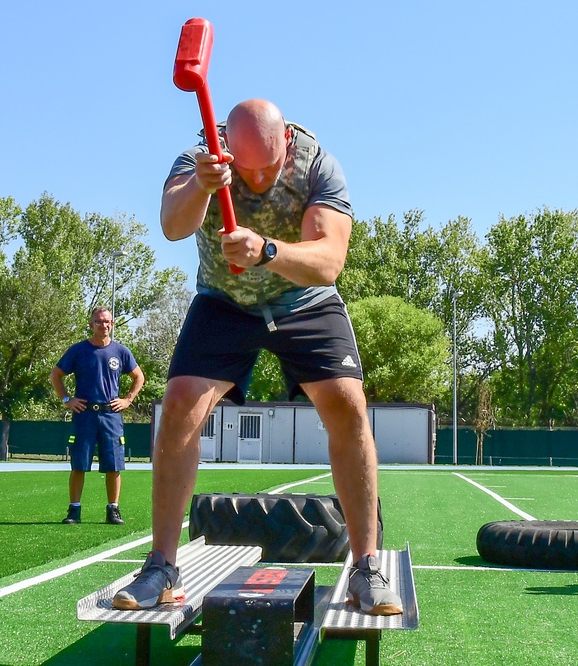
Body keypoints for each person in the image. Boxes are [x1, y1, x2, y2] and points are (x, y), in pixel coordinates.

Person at [112, 99, 402, 615]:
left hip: (302, 299)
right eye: (248, 170)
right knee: (179, 406)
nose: (261, 179)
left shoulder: (317, 165)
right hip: (224, 303)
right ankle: (161, 565)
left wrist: (267, 250)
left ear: (286, 140)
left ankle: (365, 564)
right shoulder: (198, 158)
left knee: (348, 404)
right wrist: (202, 186)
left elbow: (328, 262)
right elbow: (173, 226)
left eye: (269, 168)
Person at [50, 306, 144, 525]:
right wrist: (66, 399)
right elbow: (56, 374)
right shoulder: (78, 350)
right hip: (85, 415)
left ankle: (113, 509)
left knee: (114, 465)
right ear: (91, 324)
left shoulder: (121, 351)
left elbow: (139, 377)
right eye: (99, 322)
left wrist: (128, 399)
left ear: (112, 324)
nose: (104, 325)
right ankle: (74, 510)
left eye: (108, 322)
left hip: (110, 415)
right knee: (79, 464)